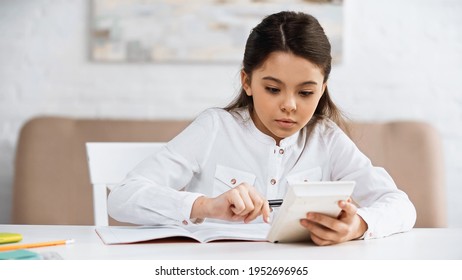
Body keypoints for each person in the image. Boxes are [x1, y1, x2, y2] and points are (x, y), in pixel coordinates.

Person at [107, 11, 416, 245]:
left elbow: (400, 205)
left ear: (322, 89)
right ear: (247, 82)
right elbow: (122, 198)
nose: (290, 105)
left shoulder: (326, 139)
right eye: (273, 89)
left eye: (306, 92)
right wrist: (205, 205)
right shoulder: (215, 128)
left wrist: (358, 224)